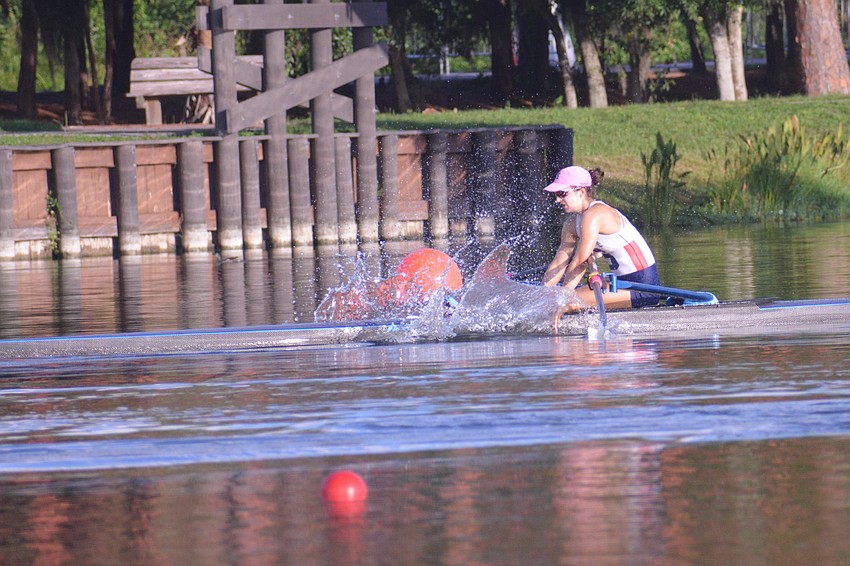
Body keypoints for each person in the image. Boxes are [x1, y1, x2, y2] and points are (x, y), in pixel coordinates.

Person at [541, 165, 661, 310]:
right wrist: (542, 293)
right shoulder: (571, 224)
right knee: (553, 300)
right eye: (556, 194)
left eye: (562, 193)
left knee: (565, 301)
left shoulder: (595, 215)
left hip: (644, 289)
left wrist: (563, 300)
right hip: (619, 285)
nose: (557, 200)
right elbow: (559, 262)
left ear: (581, 192)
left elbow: (580, 261)